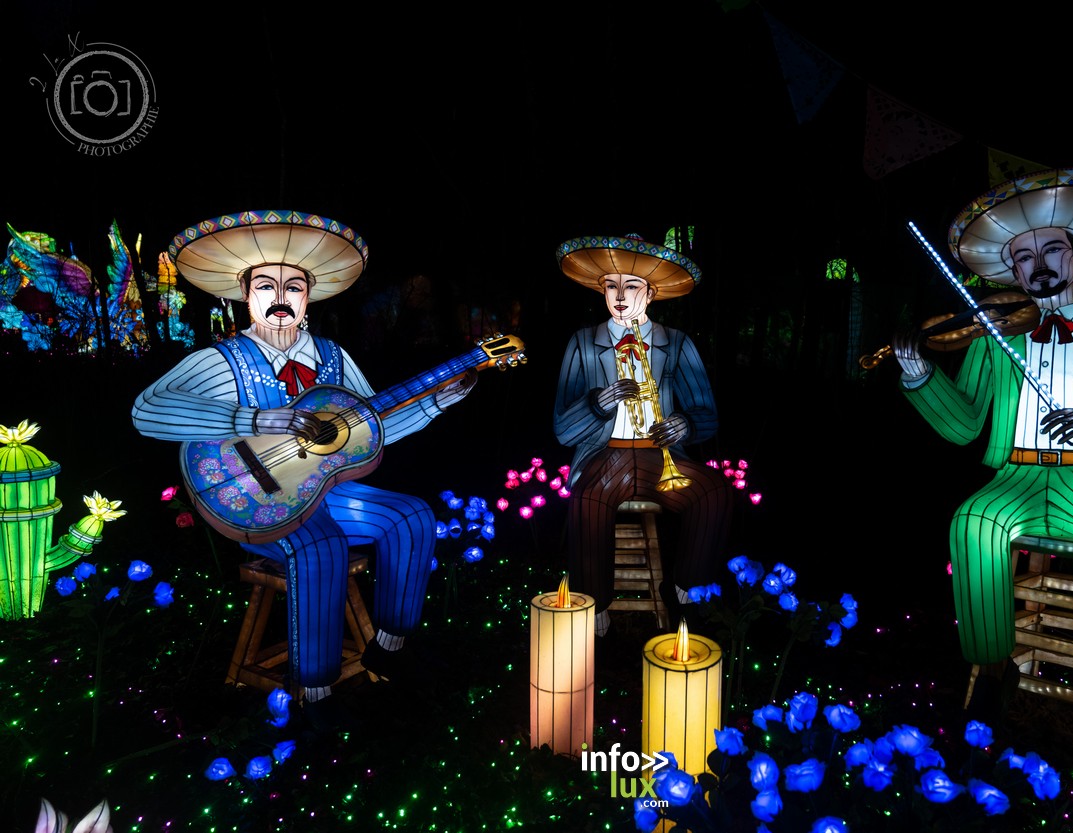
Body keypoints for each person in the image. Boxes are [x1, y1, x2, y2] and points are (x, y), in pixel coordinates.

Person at [132, 210, 477, 730]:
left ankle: (390, 647)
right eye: (265, 285)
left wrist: (435, 402)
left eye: (293, 287)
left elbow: (371, 431)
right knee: (321, 545)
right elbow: (148, 411)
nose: (281, 297)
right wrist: (252, 419)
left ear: (308, 296)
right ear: (244, 293)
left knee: (411, 517)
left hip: (321, 491)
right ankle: (315, 692)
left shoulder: (333, 358)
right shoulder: (224, 360)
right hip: (252, 499)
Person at [891, 168, 1073, 708]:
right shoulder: (992, 332)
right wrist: (919, 374)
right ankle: (991, 664)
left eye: (1051, 250)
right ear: (1013, 270)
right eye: (1024, 256)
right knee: (973, 522)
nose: (1038, 264)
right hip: (1015, 476)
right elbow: (963, 426)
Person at [553, 234, 733, 636]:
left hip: (661, 455)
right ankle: (593, 605)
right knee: (588, 499)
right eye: (610, 286)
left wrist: (685, 424)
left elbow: (707, 414)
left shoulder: (677, 343)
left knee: (713, 491)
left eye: (631, 286)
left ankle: (688, 590)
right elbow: (563, 429)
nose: (619, 297)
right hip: (605, 453)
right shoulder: (582, 344)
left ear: (650, 293)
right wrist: (599, 403)